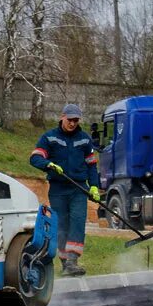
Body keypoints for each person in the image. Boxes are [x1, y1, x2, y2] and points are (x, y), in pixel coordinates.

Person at [30, 103, 101, 274]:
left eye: (76, 120)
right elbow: (35, 158)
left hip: (78, 189)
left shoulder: (85, 139)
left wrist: (94, 187)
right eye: (70, 120)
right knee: (61, 225)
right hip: (58, 189)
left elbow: (91, 165)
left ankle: (72, 261)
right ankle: (65, 264)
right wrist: (49, 165)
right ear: (62, 117)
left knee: (77, 222)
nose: (72, 123)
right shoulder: (49, 138)